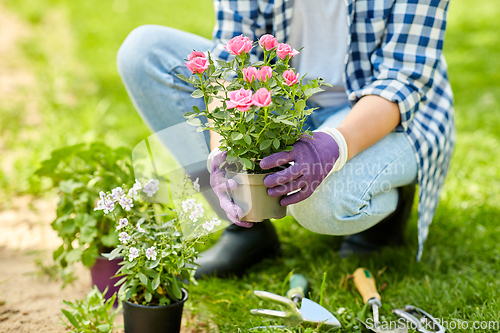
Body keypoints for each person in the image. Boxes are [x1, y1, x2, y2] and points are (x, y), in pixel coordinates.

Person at [117, 0, 455, 278]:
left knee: (318, 207)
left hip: (386, 111)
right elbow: (231, 62)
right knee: (143, 52)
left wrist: (332, 146)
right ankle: (245, 227)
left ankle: (385, 202)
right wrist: (221, 151)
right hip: (286, 101)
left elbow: (401, 80)